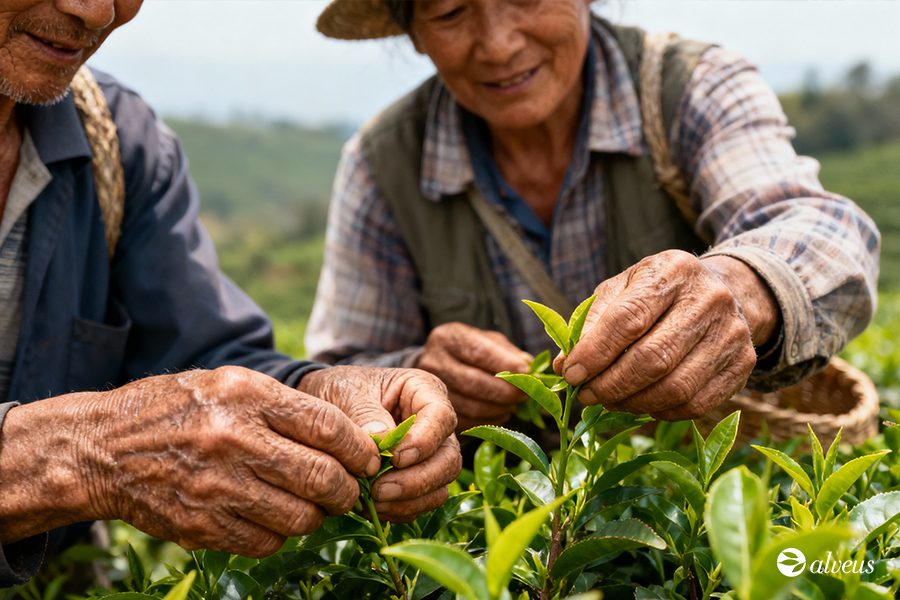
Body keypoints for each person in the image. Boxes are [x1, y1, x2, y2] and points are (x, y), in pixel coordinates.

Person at [0, 0, 461, 587]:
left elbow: (209, 363)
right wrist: (88, 452)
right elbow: (121, 436)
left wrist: (322, 399)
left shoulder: (116, 141)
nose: (94, 10)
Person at [307, 0, 880, 432]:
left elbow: (821, 227)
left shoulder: (691, 89)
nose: (499, 44)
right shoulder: (383, 164)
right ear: (414, 34)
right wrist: (415, 374)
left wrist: (737, 286)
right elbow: (341, 374)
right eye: (451, 12)